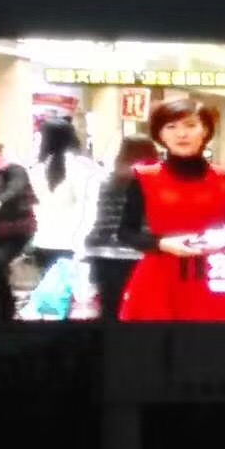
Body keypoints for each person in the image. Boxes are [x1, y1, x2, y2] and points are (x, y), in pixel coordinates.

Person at [117, 98, 225, 321]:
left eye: (190, 125)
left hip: (214, 276)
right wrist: (162, 244)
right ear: (160, 134)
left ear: (205, 131)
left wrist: (221, 241)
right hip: (159, 277)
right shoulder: (143, 177)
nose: (181, 134)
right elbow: (126, 232)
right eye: (171, 127)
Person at [84, 135, 161, 320]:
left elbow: (99, 214)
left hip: (102, 250)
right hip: (139, 252)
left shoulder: (106, 180)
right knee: (142, 309)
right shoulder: (155, 181)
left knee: (109, 307)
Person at [28, 117, 100, 274]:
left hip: (44, 240)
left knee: (49, 286)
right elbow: (91, 205)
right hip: (74, 243)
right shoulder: (83, 166)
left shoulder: (36, 169)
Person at [0, 143, 37, 322]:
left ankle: (6, 311)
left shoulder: (14, 170)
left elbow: (14, 189)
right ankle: (3, 309)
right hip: (0, 231)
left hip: (17, 230)